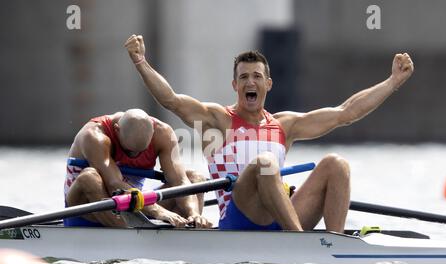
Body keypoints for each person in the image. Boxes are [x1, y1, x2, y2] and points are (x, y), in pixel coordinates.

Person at [125, 34, 414, 232]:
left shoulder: (285, 126)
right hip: (239, 216)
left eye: (257, 76)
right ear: (235, 86)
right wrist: (140, 62)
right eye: (244, 77)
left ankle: (331, 244)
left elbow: (346, 113)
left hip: (281, 214)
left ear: (268, 84)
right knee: (265, 164)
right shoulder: (217, 119)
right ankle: (299, 242)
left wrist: (392, 82)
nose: (250, 82)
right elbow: (171, 100)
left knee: (336, 164)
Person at [64, 108, 212, 228]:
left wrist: (193, 212)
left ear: (153, 133)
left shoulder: (163, 133)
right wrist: (159, 212)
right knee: (89, 177)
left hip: (136, 207)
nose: (134, 155)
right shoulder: (94, 136)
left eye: (141, 151)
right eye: (129, 151)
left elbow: (180, 182)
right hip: (89, 209)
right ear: (116, 130)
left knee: (194, 178)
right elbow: (115, 184)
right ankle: (126, 233)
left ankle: (193, 225)